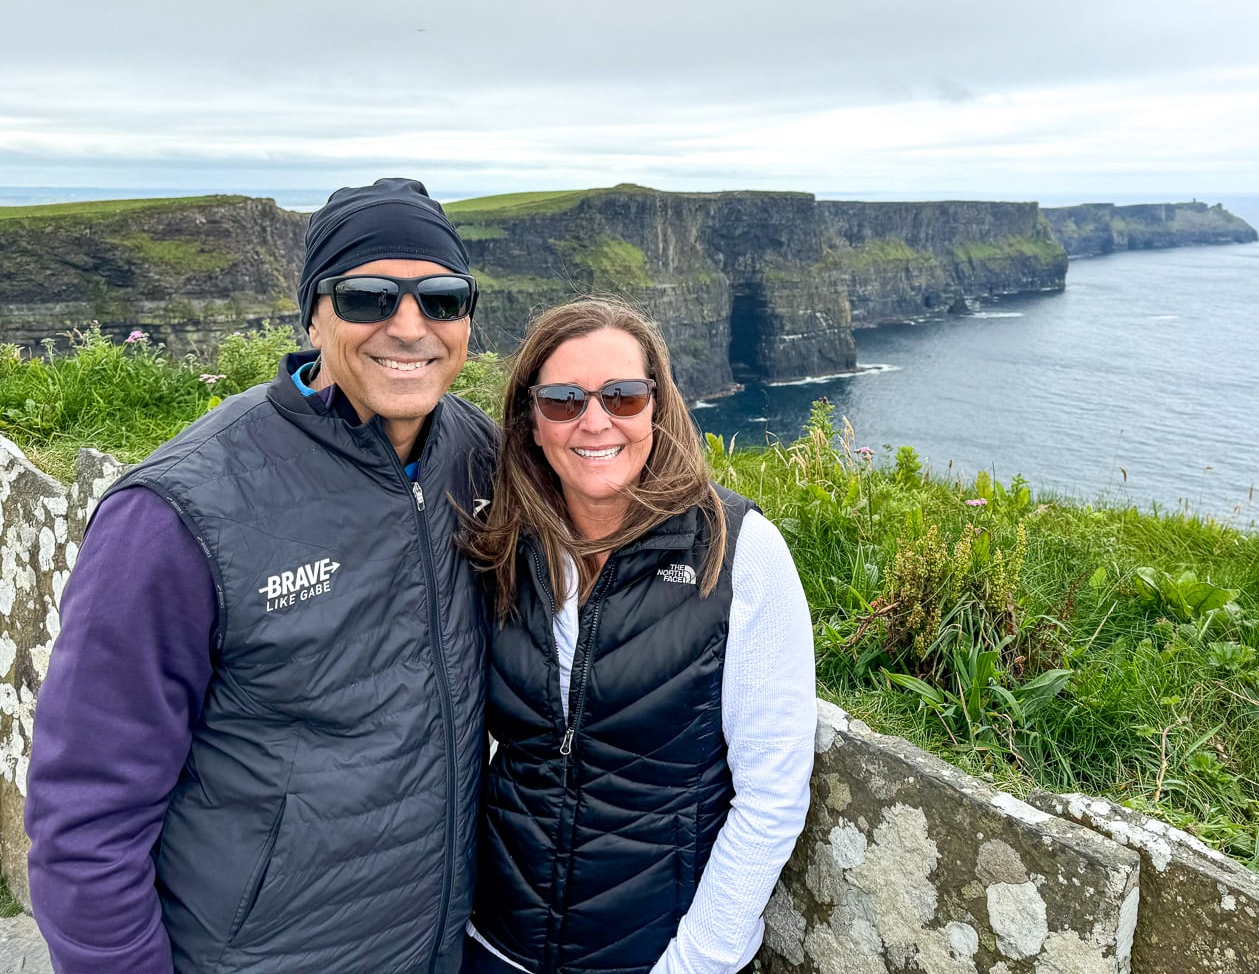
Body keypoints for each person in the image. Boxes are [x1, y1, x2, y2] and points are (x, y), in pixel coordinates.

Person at [26, 178, 496, 973]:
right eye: (368, 297)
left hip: (438, 945)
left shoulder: (473, 452)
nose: (410, 326)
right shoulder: (179, 510)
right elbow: (86, 818)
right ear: (314, 314)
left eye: (443, 300)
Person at [461, 297, 816, 974]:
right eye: (564, 400)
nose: (595, 421)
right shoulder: (507, 543)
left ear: (658, 406)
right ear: (532, 422)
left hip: (655, 955)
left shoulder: (739, 552)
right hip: (491, 943)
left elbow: (771, 796)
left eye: (623, 396)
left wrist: (697, 962)